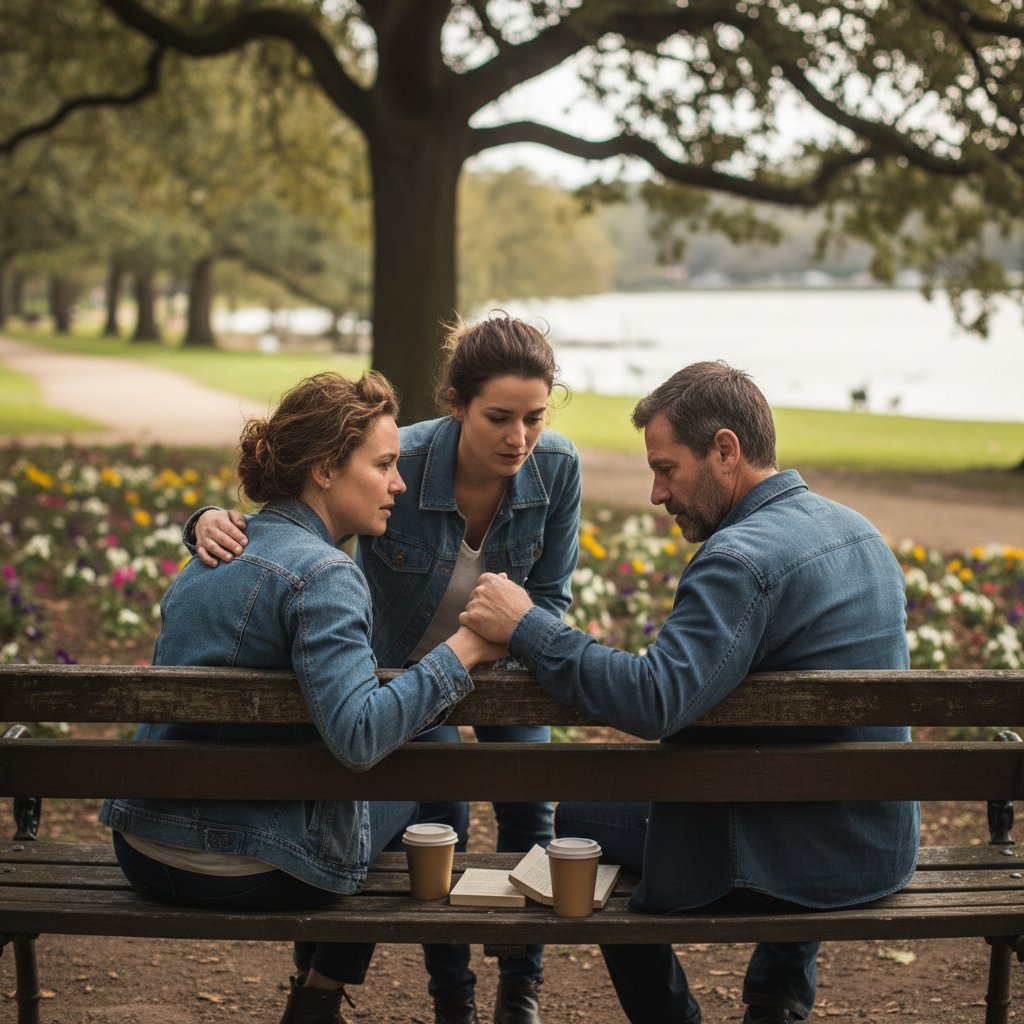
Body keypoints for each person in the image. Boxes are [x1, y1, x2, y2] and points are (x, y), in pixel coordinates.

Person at [459, 360, 919, 1024]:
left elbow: (653, 699)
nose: (655, 493)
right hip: (876, 846)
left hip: (794, 854)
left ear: (725, 450)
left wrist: (525, 626)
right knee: (806, 768)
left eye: (666, 468)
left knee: (584, 820)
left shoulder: (739, 560)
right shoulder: (858, 532)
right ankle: (775, 998)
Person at [188, 313, 582, 1024]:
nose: (519, 438)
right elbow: (293, 512)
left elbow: (549, 597)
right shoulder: (398, 462)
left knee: (531, 803)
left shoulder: (557, 468)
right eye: (499, 416)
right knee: (439, 812)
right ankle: (452, 993)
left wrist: (503, 641)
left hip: (502, 667)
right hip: (398, 676)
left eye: (535, 417)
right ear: (456, 404)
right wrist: (206, 518)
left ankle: (519, 983)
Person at [100, 371, 502, 1024]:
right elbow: (359, 737)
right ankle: (355, 992)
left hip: (144, 848)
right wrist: (464, 651)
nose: (398, 483)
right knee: (429, 754)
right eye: (384, 464)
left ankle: (339, 991)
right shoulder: (327, 576)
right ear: (323, 470)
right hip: (242, 868)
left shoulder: (210, 551)